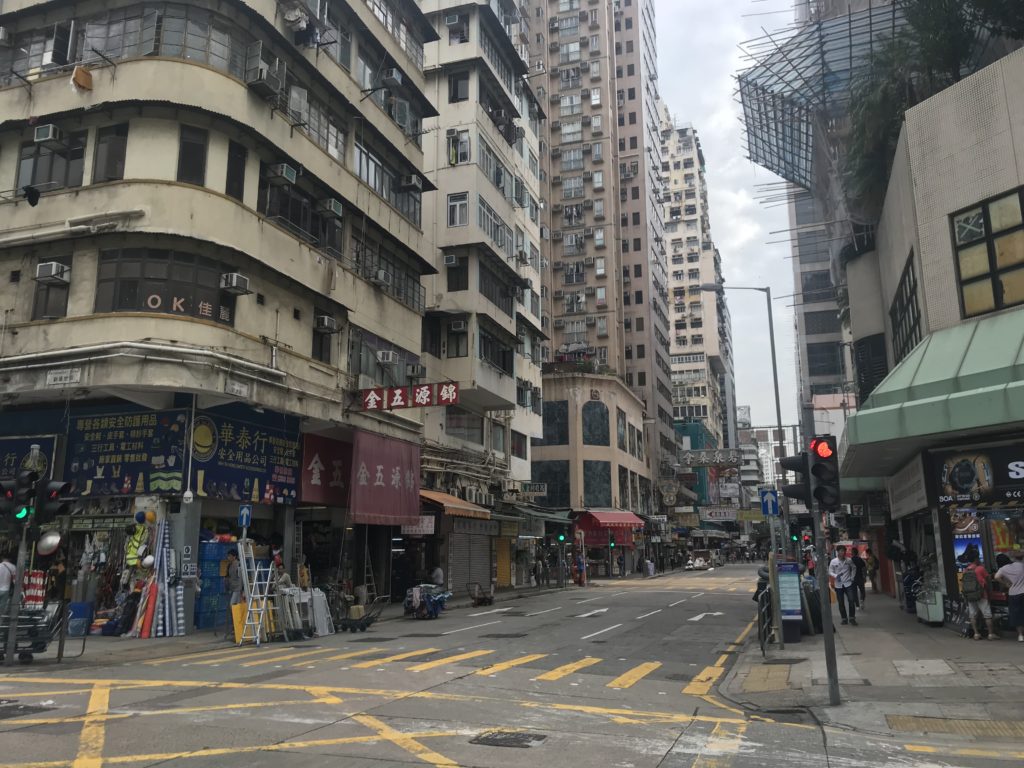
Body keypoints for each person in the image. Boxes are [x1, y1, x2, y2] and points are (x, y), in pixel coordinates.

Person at [962, 552, 997, 641]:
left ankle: (976, 634)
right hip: (982, 595)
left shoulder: (966, 570)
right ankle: (990, 634)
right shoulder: (980, 568)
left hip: (970, 595)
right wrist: (990, 592)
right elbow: (988, 580)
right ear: (976, 559)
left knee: (972, 615)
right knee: (987, 615)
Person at [994, 551, 1024, 643]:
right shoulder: (1021, 565)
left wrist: (1006, 584)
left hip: (1013, 594)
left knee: (1017, 615)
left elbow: (996, 577)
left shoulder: (1003, 569)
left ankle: (1020, 635)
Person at [828, 545, 857, 626]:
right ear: (837, 552)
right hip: (838, 585)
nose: (843, 552)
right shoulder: (833, 561)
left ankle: (852, 618)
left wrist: (852, 577)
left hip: (848, 583)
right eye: (841, 551)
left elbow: (854, 568)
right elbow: (830, 571)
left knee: (851, 600)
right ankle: (844, 618)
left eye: (844, 551)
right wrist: (835, 575)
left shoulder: (849, 560)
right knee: (841, 603)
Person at [224, 550, 242, 640]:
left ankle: (237, 627)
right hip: (232, 589)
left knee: (234, 606)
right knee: (233, 608)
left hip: (238, 589)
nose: (228, 558)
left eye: (230, 556)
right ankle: (235, 627)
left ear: (234, 557)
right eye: (228, 556)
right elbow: (227, 577)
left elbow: (241, 578)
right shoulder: (229, 565)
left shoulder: (238, 565)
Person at [0, 553, 16, 618]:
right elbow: (15, 580)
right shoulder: (13, 567)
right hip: (6, 590)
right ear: (10, 559)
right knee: (1, 609)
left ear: (2, 558)